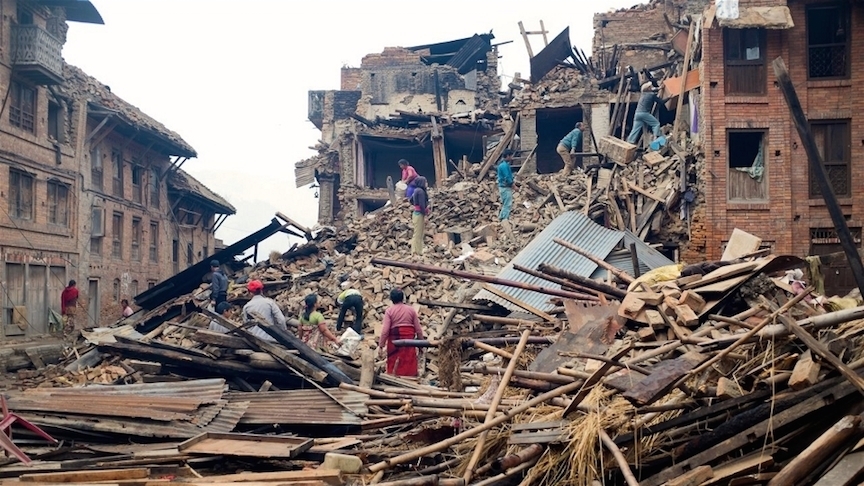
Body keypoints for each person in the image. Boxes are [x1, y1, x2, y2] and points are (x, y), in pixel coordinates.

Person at [379, 288, 425, 377]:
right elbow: (418, 329)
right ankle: (410, 376)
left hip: (395, 340)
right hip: (409, 340)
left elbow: (385, 330)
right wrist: (421, 345)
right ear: (402, 298)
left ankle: (394, 376)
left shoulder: (389, 311)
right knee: (409, 359)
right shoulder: (411, 310)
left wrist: (381, 345)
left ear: (391, 299)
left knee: (394, 359)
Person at [410, 176, 429, 255]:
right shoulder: (421, 191)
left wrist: (415, 205)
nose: (427, 184)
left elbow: (411, 200)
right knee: (418, 234)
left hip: (416, 213)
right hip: (419, 214)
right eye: (425, 182)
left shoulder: (416, 190)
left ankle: (419, 250)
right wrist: (425, 214)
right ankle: (415, 251)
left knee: (419, 233)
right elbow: (422, 205)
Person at [497, 150, 515, 221]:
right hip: (505, 187)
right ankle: (504, 220)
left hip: (503, 187)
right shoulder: (504, 166)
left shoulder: (503, 165)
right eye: (511, 156)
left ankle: (501, 218)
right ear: (507, 156)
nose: (512, 157)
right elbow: (507, 177)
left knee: (505, 204)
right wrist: (513, 186)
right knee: (507, 204)